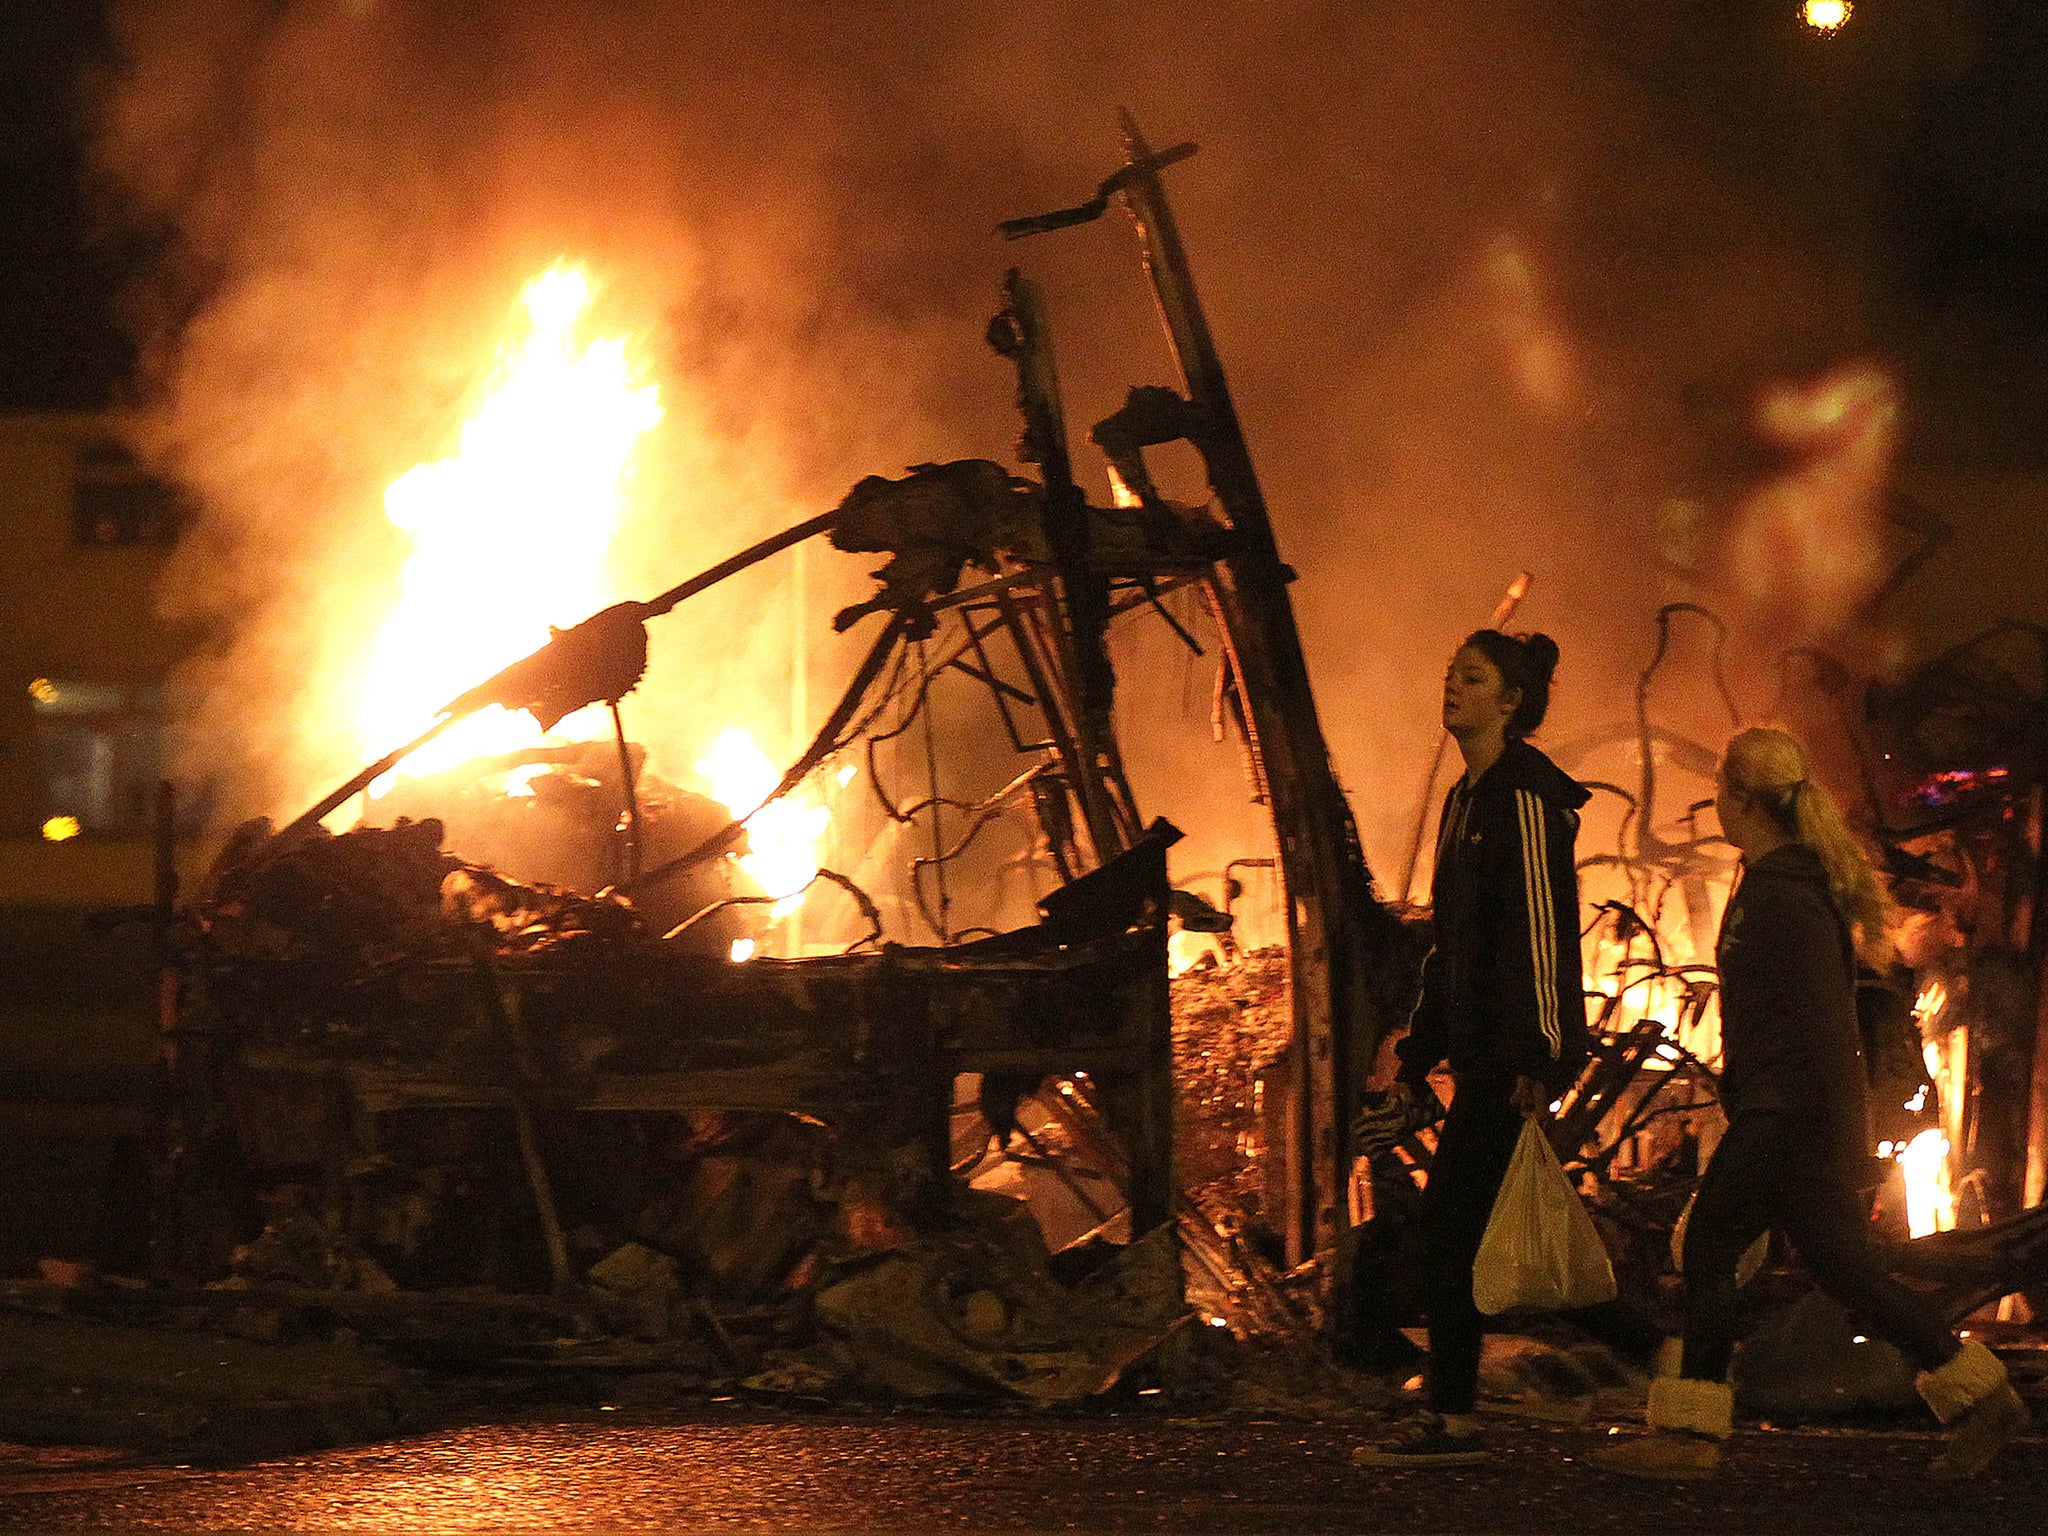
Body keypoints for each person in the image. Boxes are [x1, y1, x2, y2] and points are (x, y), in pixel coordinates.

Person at [1593, 727, 2027, 1480]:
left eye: (1722, 794)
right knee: (1849, 1269)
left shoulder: (1783, 895)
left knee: (1710, 1249)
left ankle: (1692, 1436)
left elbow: (1824, 1026)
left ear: (1738, 800)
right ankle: (1984, 1399)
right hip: (1793, 1109)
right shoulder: (1779, 883)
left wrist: (1835, 1135)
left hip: (1786, 1113)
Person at [1353, 629, 1592, 1466]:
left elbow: (1540, 934)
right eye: (1450, 673)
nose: (1452, 688)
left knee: (1455, 1230)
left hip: (1510, 1061)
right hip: (1484, 1058)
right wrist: (1418, 1053)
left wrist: (1545, 1056)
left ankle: (1452, 1421)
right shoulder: (1468, 799)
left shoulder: (1522, 796)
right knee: (1476, 1230)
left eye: (1474, 678)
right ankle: (1650, 1348)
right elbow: (1451, 945)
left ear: (1511, 702)